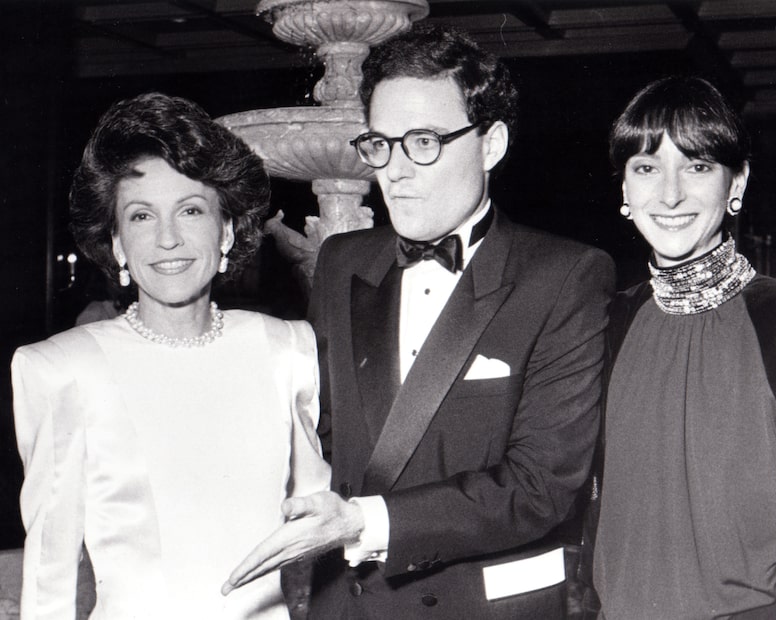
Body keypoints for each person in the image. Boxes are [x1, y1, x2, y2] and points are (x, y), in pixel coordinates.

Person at [221, 23, 615, 619]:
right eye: (380, 144)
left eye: (423, 142)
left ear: (491, 145)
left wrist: (363, 522)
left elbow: (541, 487)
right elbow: (328, 435)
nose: (395, 171)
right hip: (350, 605)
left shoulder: (565, 276)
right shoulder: (342, 261)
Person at [11, 92, 330, 619]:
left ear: (226, 229)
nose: (167, 239)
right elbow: (51, 575)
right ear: (117, 243)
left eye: (190, 210)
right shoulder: (61, 369)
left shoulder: (287, 349)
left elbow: (316, 525)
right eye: (141, 216)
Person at [585, 76, 776, 618]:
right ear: (624, 189)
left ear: (736, 182)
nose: (670, 194)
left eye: (697, 167)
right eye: (646, 168)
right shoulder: (605, 323)